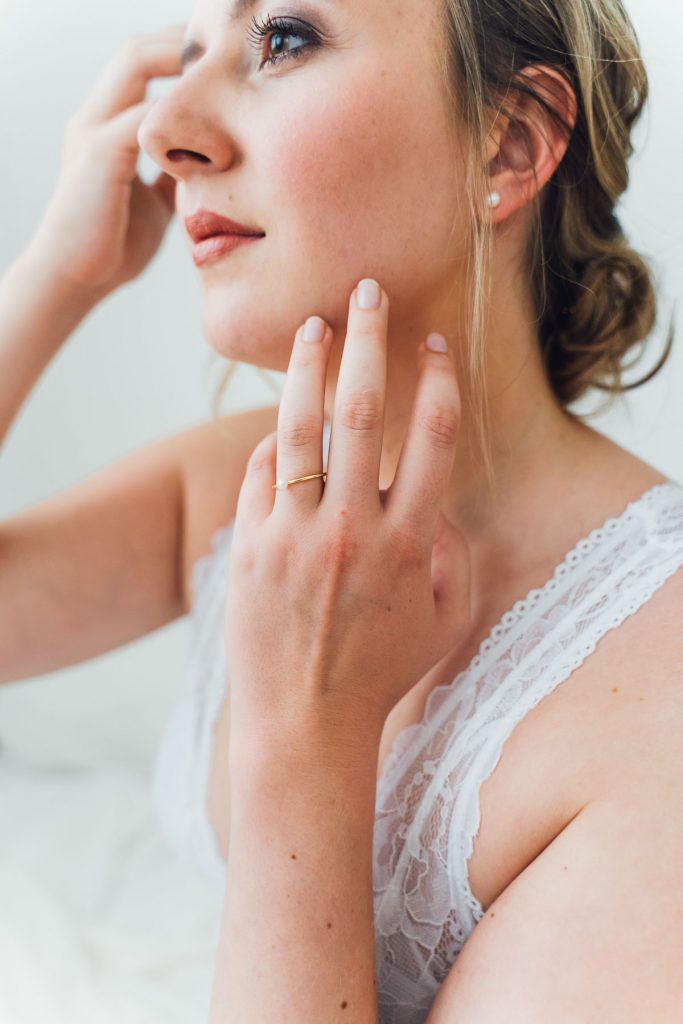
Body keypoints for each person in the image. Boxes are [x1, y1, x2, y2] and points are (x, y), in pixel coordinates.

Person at [1, 1, 682, 1020]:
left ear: (509, 142)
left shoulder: (657, 696)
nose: (163, 132)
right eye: (187, 55)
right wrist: (55, 275)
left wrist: (304, 746)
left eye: (280, 37)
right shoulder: (251, 491)